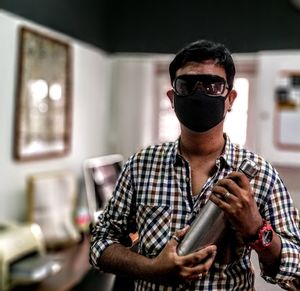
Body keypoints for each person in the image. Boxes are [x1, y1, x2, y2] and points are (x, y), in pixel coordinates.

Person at [90, 39, 300, 290]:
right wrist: (151, 269)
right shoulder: (140, 166)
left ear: (230, 99)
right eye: (187, 85)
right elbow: (100, 242)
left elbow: (296, 266)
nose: (200, 93)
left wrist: (256, 229)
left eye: (212, 85)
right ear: (172, 97)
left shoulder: (260, 174)